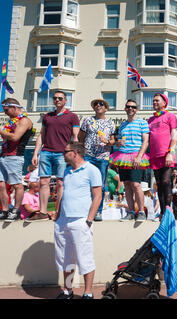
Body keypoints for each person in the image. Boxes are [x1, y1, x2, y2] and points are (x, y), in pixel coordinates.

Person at [54, 142, 102, 299]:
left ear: (75, 153)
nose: (63, 154)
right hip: (63, 221)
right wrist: (58, 214)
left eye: (65, 151)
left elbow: (98, 196)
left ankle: (88, 292)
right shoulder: (67, 171)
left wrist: (89, 220)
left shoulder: (92, 170)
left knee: (85, 258)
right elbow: (63, 194)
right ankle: (68, 291)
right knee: (65, 259)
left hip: (81, 220)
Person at [31, 91, 80, 220]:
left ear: (65, 101)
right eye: (55, 98)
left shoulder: (72, 116)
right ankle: (43, 212)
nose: (57, 100)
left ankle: (59, 212)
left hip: (62, 153)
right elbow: (41, 135)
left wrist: (75, 153)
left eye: (60, 98)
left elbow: (75, 137)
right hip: (46, 151)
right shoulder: (47, 116)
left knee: (61, 183)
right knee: (43, 182)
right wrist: (36, 153)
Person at [109, 99, 150, 221]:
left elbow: (146, 141)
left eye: (133, 107)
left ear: (136, 109)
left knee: (136, 184)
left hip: (136, 156)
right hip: (123, 156)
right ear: (125, 109)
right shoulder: (122, 125)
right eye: (128, 107)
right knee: (126, 185)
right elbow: (119, 143)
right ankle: (131, 212)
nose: (130, 109)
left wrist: (139, 156)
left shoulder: (142, 123)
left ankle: (141, 211)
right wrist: (118, 143)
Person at [78, 98, 116, 221]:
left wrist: (108, 142)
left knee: (99, 185)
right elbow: (81, 138)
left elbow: (113, 141)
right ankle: (85, 210)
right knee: (86, 183)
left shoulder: (111, 123)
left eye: (101, 104)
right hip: (88, 155)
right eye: (96, 104)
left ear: (106, 108)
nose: (98, 105)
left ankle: (98, 211)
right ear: (93, 108)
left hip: (103, 157)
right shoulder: (87, 120)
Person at [0, 98, 34, 220]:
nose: (5, 113)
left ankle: (16, 209)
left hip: (15, 156)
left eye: (6, 110)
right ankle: (4, 210)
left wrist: (0, 131)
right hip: (3, 155)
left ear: (14, 107)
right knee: (1, 184)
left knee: (16, 184)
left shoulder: (24, 121)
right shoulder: (12, 122)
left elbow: (15, 137)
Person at [147, 93, 177, 218]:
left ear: (164, 103)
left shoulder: (170, 116)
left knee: (166, 181)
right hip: (154, 156)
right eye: (153, 100)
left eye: (157, 100)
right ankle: (162, 211)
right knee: (159, 184)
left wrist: (170, 152)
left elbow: (175, 135)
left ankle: (168, 209)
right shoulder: (150, 119)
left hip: (166, 155)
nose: (154, 102)